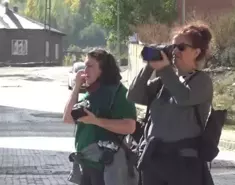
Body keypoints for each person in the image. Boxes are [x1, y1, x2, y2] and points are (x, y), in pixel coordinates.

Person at [127, 22, 214, 185]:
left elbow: (183, 97)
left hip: (183, 163)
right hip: (154, 160)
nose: (174, 52)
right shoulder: (163, 81)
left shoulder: (202, 81)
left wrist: (165, 69)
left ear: (196, 52)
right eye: (172, 46)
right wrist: (149, 67)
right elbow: (134, 95)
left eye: (181, 47)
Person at [63, 48, 138, 185]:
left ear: (103, 70)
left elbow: (130, 127)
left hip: (105, 166)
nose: (84, 70)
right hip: (86, 163)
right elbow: (68, 118)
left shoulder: (119, 93)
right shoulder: (90, 92)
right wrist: (76, 87)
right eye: (84, 65)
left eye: (90, 66)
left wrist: (96, 121)